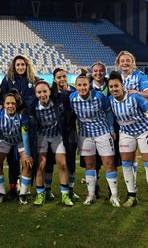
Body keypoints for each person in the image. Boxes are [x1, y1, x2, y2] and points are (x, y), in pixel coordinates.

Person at [108, 71, 148, 210]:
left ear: (122, 86)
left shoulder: (135, 97)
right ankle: (132, 195)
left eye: (116, 86)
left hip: (145, 132)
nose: (114, 89)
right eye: (111, 87)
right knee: (126, 164)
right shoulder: (110, 100)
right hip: (126, 133)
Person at [70, 70, 120, 207]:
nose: (82, 87)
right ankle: (91, 195)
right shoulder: (72, 98)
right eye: (79, 85)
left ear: (89, 85)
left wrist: (111, 129)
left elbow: (108, 112)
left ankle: (114, 196)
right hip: (85, 135)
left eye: (85, 84)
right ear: (76, 86)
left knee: (109, 164)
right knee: (90, 165)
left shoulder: (99, 96)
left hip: (102, 133)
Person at [30, 81, 74, 206]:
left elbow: (71, 95)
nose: (42, 94)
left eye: (45, 91)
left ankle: (65, 195)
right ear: (35, 94)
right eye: (39, 92)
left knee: (63, 164)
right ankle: (40, 194)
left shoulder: (57, 103)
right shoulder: (32, 106)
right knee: (41, 164)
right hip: (42, 136)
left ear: (49, 92)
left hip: (57, 136)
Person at [1, 55, 39, 199]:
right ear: (14, 66)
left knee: (27, 157)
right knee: (12, 159)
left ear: (27, 65)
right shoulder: (8, 79)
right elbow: (3, 97)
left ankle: (25, 188)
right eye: (18, 65)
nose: (20, 67)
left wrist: (22, 105)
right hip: (10, 125)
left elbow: (35, 98)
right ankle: (12, 186)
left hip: (28, 124)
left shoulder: (33, 80)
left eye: (22, 64)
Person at [0, 90, 33, 204]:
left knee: (27, 164)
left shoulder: (22, 115)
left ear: (16, 104)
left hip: (20, 141)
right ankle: (2, 193)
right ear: (3, 104)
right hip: (5, 140)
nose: (10, 106)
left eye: (13, 103)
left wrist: (28, 155)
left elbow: (25, 135)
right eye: (8, 103)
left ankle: (23, 194)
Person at [46, 68, 78, 201]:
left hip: (70, 131)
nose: (62, 79)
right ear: (54, 79)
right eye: (59, 77)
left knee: (70, 161)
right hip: (53, 132)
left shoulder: (74, 92)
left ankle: (70, 189)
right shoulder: (50, 93)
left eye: (64, 76)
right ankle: (47, 190)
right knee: (49, 161)